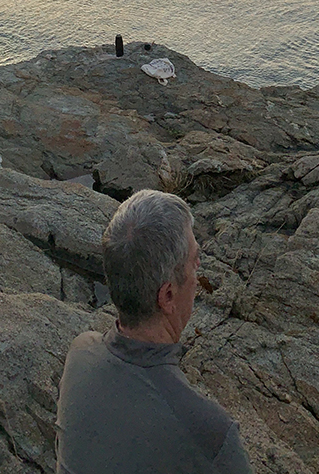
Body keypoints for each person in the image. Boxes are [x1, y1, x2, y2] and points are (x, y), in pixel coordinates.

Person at [56, 190, 250, 474]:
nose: (198, 268)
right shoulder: (212, 435)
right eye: (194, 260)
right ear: (167, 296)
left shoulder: (81, 354)